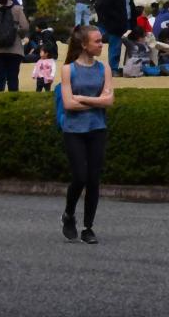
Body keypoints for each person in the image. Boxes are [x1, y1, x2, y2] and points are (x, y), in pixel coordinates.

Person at [58, 25, 114, 243]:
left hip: (97, 129)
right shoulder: (68, 70)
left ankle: (88, 227)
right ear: (84, 44)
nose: (101, 44)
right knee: (79, 177)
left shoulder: (104, 69)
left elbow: (109, 100)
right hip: (74, 130)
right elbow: (68, 104)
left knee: (93, 180)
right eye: (97, 41)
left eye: (101, 40)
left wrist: (82, 98)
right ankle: (68, 213)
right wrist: (97, 101)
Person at [92, 0, 136, 73]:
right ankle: (113, 69)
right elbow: (105, 8)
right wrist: (113, 20)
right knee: (115, 46)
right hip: (116, 25)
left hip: (128, 22)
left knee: (132, 46)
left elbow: (131, 6)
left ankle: (131, 67)